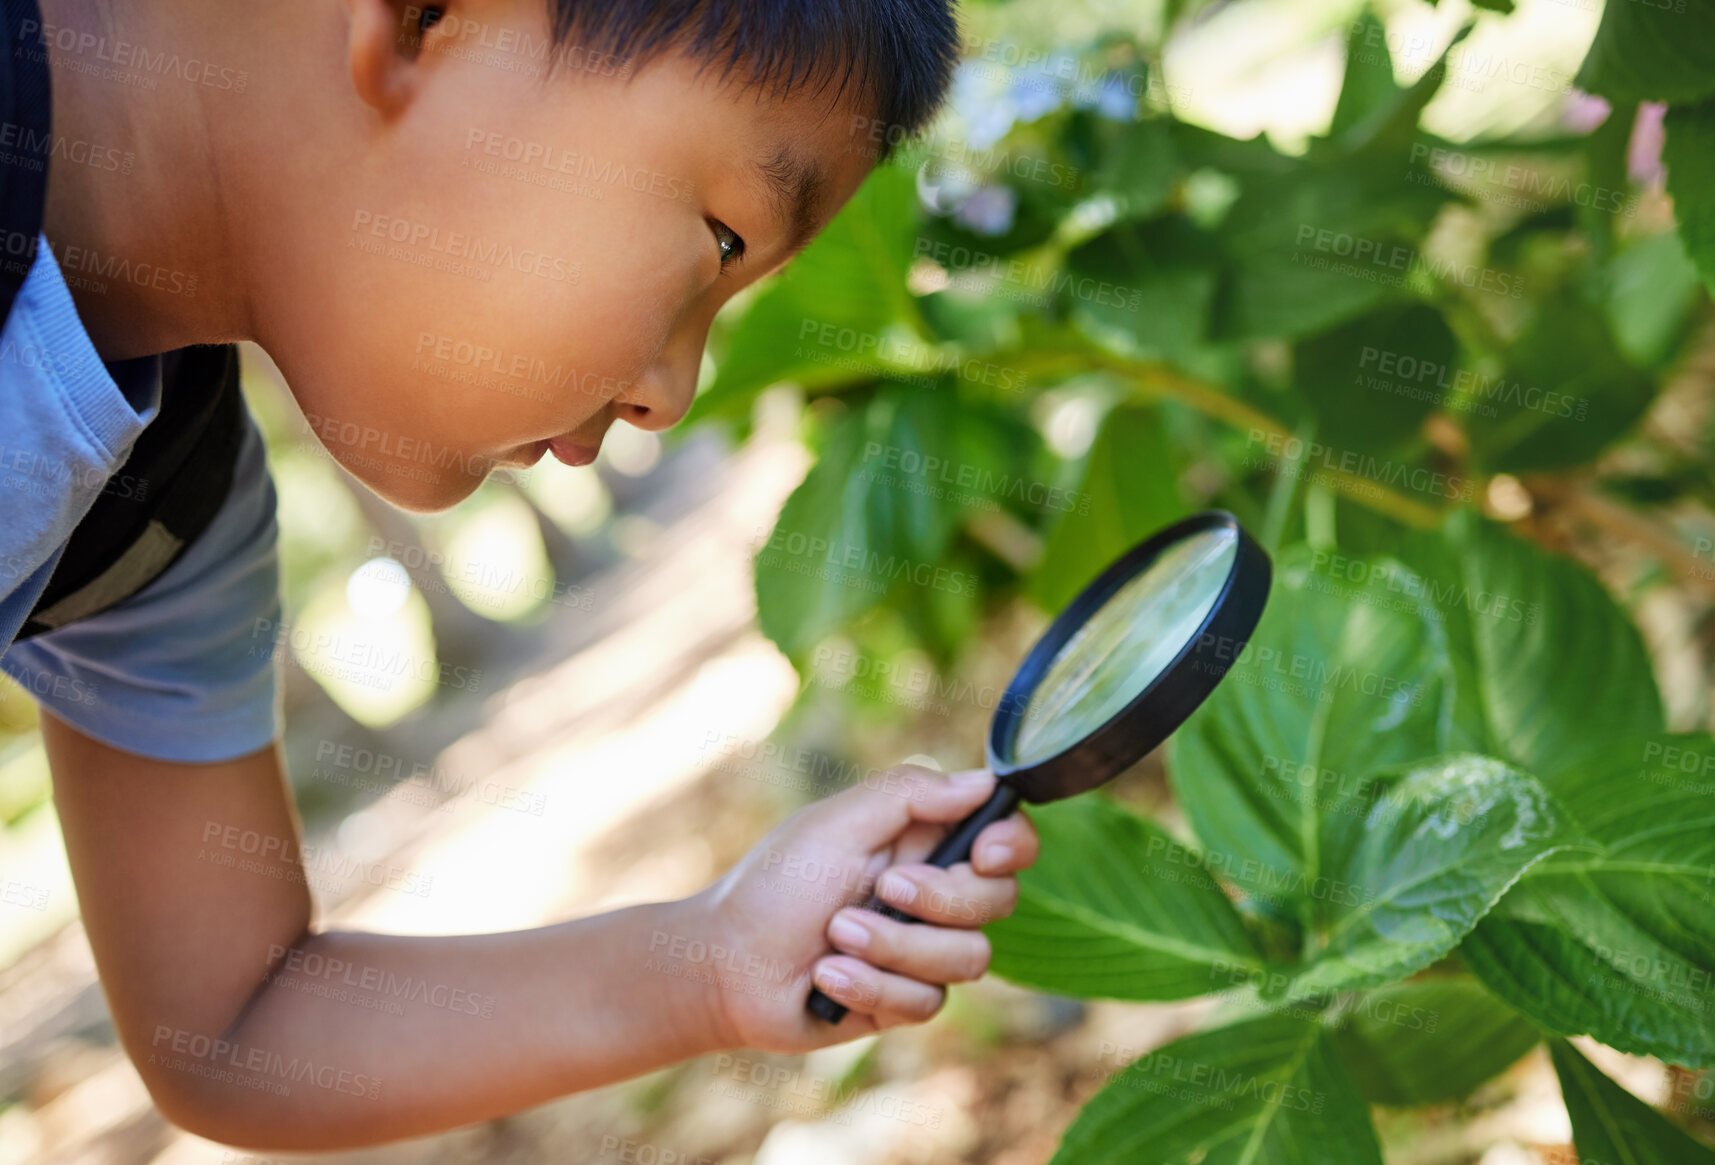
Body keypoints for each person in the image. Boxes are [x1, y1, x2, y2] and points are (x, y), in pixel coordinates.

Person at [0, 0, 1042, 1149]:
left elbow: (236, 1021)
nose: (671, 392)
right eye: (722, 241)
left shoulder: (152, 512)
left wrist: (709, 961)